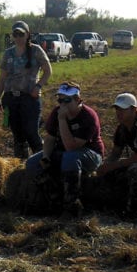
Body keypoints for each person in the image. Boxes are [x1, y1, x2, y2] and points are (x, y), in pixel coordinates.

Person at [25, 81, 104, 212]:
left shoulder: (88, 116)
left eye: (66, 100)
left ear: (77, 100)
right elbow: (50, 138)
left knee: (70, 157)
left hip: (89, 153)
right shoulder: (56, 112)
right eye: (60, 100)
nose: (62, 104)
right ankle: (53, 197)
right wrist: (45, 157)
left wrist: (62, 120)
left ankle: (72, 203)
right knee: (32, 163)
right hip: (63, 151)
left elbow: (71, 147)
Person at [0, 20, 52, 159]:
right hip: (11, 99)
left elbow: (48, 71)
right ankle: (22, 166)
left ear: (28, 34)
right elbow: (2, 78)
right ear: (12, 36)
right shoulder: (8, 54)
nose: (18, 37)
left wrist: (38, 86)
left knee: (31, 132)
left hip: (30, 97)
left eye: (21, 34)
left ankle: (43, 162)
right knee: (18, 135)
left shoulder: (36, 50)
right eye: (16, 34)